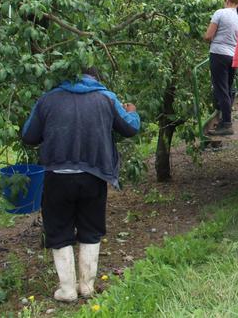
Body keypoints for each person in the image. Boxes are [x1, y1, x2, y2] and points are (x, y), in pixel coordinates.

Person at [21, 67, 140, 302]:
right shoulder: (106, 97)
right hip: (93, 175)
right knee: (91, 227)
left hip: (56, 175)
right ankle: (86, 287)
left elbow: (28, 135)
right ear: (95, 77)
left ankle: (67, 290)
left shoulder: (48, 99)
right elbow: (130, 128)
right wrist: (133, 112)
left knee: (58, 229)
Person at [203, 0, 238, 136]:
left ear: (227, 0)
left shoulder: (220, 13)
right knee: (228, 87)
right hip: (233, 56)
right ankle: (224, 119)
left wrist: (209, 38)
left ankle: (226, 123)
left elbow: (208, 36)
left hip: (218, 54)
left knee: (221, 90)